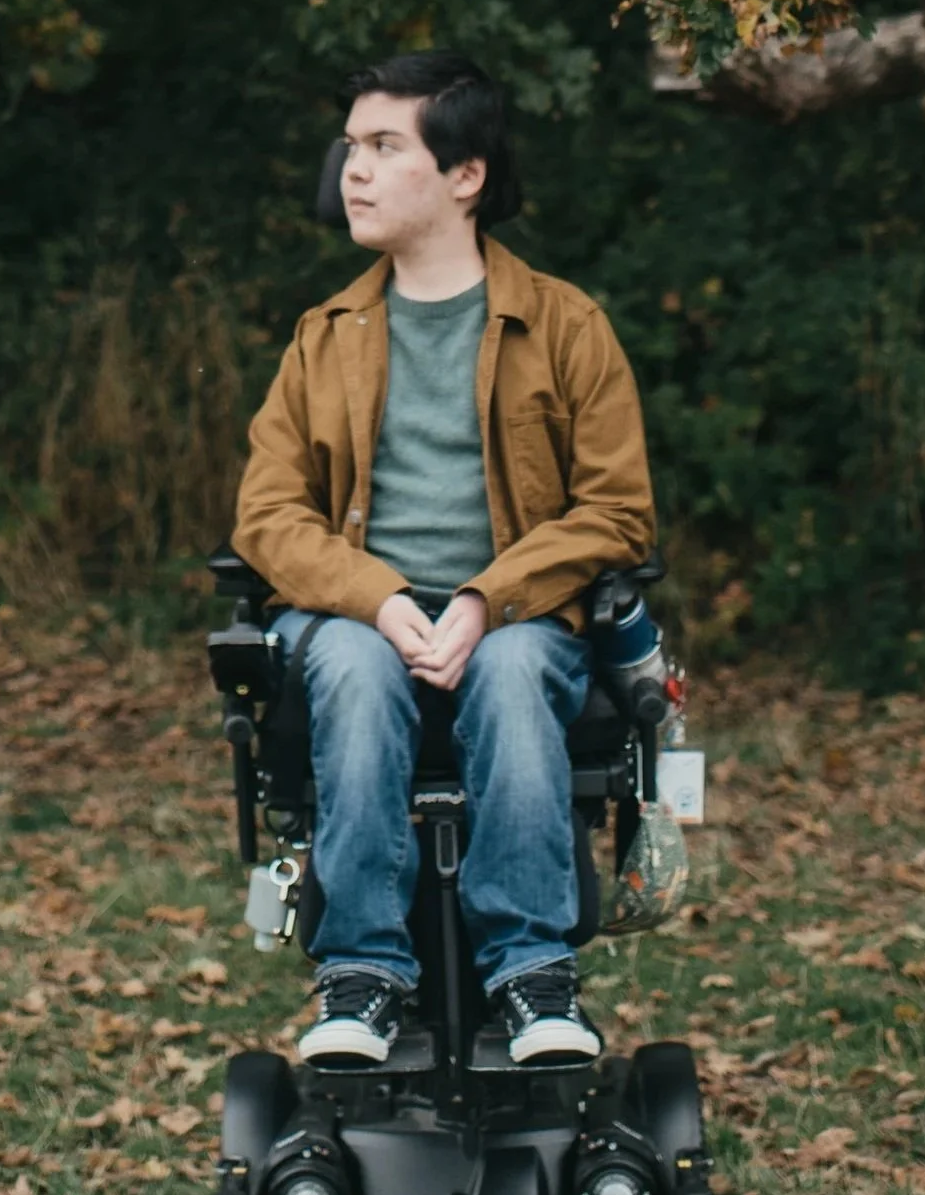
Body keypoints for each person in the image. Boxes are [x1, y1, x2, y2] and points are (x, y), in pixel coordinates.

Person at [233, 53, 656, 1067]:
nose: (353, 170)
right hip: (353, 626)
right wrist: (378, 599)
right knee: (346, 659)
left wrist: (487, 596)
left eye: (386, 146)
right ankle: (363, 972)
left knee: (512, 670)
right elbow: (267, 515)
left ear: (464, 174)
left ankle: (531, 973)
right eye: (351, 146)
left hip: (518, 625)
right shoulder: (324, 336)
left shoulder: (564, 326)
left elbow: (617, 511)